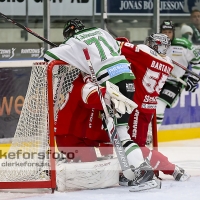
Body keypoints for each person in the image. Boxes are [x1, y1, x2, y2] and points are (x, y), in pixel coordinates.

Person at [44, 18, 158, 188]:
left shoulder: (73, 42)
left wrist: (67, 54)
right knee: (121, 132)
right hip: (127, 78)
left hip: (110, 83)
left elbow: (48, 57)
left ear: (69, 33)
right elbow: (116, 48)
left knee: (120, 134)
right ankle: (135, 170)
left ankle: (143, 171)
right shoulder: (101, 31)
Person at [115, 34, 190, 184]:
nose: (146, 43)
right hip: (148, 107)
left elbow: (118, 46)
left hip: (136, 107)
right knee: (138, 145)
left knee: (134, 146)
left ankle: (171, 168)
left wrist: (124, 41)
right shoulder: (168, 62)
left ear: (155, 45)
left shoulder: (143, 51)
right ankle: (138, 170)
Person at [151, 20, 200, 134]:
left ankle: (153, 138)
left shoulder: (184, 45)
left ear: (173, 33)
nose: (167, 35)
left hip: (174, 83)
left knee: (159, 105)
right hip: (155, 81)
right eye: (164, 32)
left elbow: (197, 61)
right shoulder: (154, 46)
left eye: (169, 32)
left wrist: (193, 78)